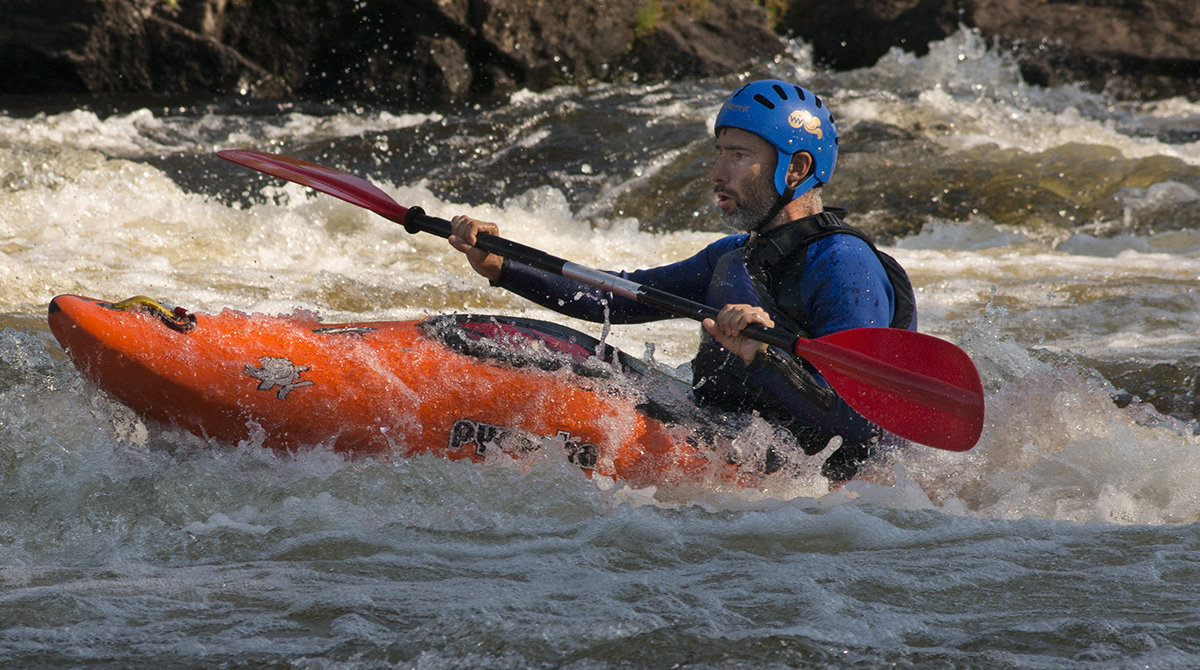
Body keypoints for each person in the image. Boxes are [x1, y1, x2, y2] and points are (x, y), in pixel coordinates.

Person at [447, 79, 916, 481]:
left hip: (810, 475)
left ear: (795, 169)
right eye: (719, 154)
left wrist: (765, 354)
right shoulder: (731, 257)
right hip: (726, 431)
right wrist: (501, 266)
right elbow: (614, 297)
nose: (716, 173)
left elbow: (860, 425)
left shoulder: (843, 265)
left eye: (737, 155)